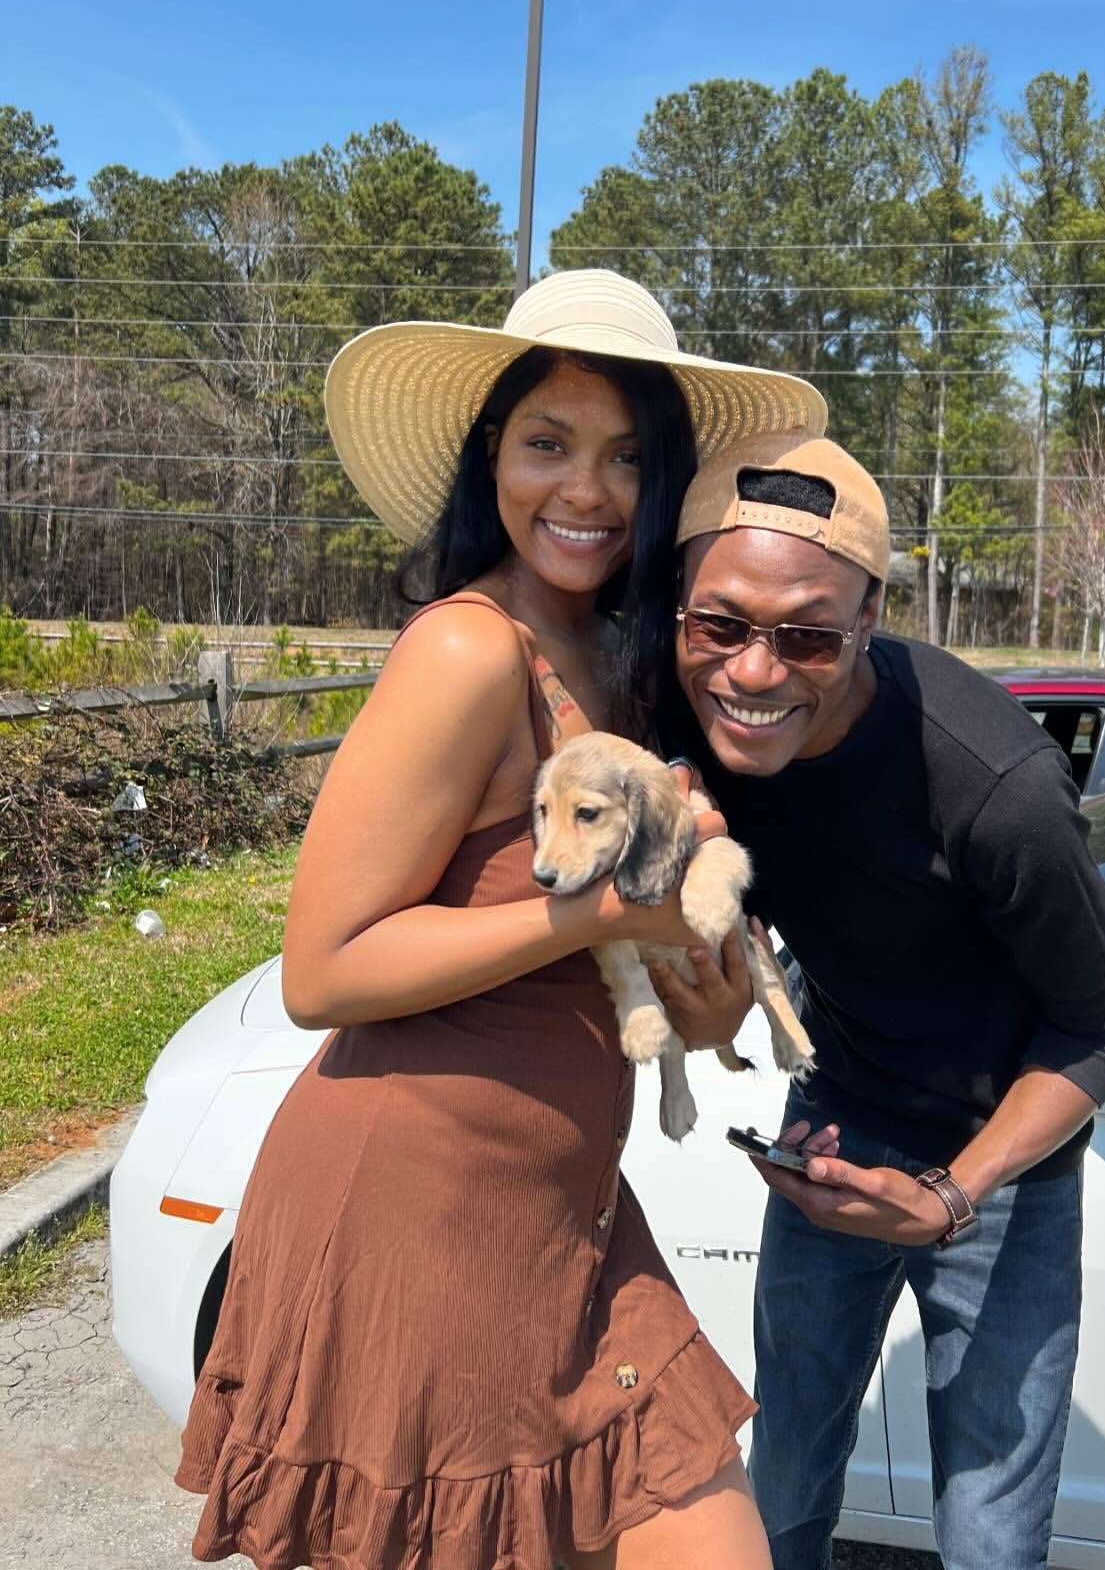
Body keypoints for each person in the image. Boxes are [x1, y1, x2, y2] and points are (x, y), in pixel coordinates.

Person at [174, 271, 826, 1570]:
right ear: (492, 457)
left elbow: (633, 964)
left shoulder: (619, 661)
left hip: (566, 1211)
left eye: (628, 457)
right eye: (548, 444)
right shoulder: (470, 650)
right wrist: (585, 913)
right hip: (416, 1213)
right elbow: (325, 966)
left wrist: (708, 987)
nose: (584, 491)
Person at [649, 430, 1105, 1570]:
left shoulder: (995, 786)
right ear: (680, 609)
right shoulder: (689, 724)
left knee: (988, 1529)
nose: (754, 672)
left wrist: (953, 1193)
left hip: (997, 1175)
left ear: (868, 621)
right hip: (837, 1122)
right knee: (779, 1479)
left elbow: (1104, 1022)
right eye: (720, 624)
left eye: (808, 635)